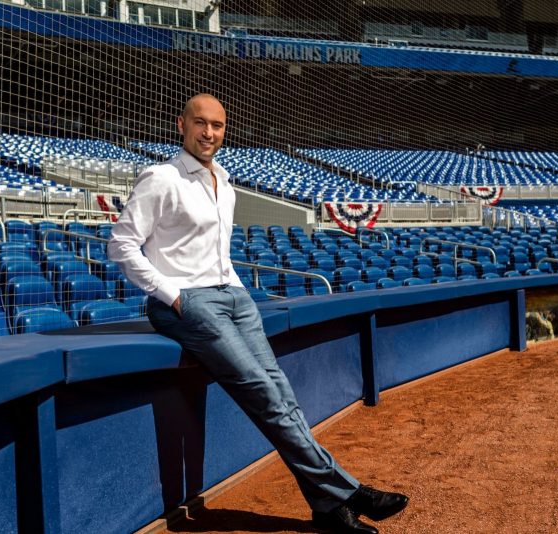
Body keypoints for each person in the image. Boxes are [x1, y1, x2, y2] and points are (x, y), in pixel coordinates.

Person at [107, 94, 408, 534]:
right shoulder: (162, 177)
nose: (209, 133)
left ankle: (328, 511)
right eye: (200, 123)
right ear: (181, 125)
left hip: (232, 296)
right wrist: (173, 297)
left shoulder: (224, 180)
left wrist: (236, 289)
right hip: (186, 302)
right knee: (265, 397)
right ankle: (349, 491)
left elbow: (215, 251)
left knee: (281, 394)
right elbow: (121, 245)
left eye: (218, 125)